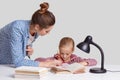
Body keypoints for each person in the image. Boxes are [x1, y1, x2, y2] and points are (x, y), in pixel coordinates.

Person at [0, 2, 61, 67]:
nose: (48, 33)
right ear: (37, 27)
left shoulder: (36, 32)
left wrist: (28, 52)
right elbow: (18, 62)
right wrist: (44, 64)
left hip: (7, 64)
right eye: (47, 31)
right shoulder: (17, 28)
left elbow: (20, 46)